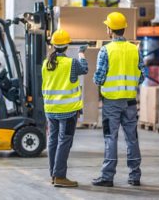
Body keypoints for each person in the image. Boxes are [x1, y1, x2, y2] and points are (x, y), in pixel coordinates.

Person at [92, 12, 145, 187]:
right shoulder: (134, 49)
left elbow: (99, 78)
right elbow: (142, 76)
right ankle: (135, 176)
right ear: (124, 28)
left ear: (109, 29)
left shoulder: (105, 50)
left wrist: (98, 80)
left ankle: (107, 176)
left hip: (111, 102)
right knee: (132, 137)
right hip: (130, 101)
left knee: (110, 137)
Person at [42, 29, 88, 188]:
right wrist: (81, 53)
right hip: (67, 110)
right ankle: (60, 176)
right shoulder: (71, 63)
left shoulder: (46, 63)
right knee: (64, 142)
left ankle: (53, 175)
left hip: (51, 109)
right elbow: (85, 68)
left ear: (53, 45)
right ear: (67, 46)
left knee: (53, 141)